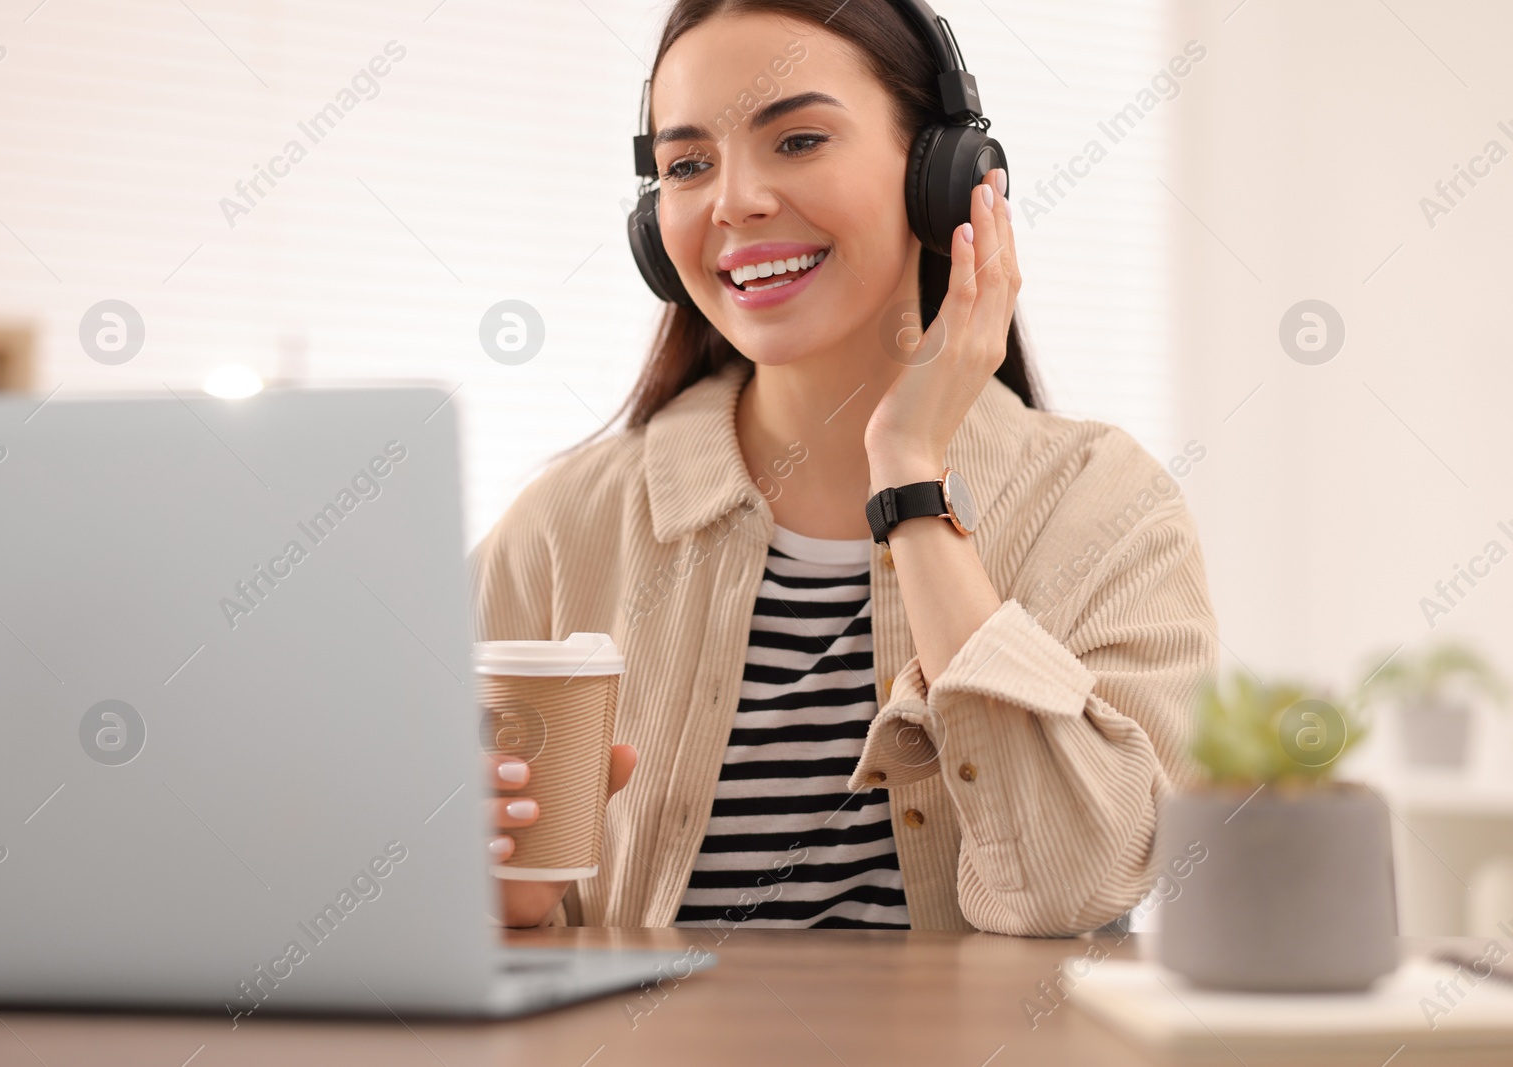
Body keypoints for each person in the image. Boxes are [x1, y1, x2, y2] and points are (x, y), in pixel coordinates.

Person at [471, 0, 1217, 933]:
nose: (733, 200)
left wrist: (909, 474)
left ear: (944, 180)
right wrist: (496, 905)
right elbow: (440, 905)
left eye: (799, 140)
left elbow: (1079, 882)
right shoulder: (560, 529)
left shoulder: (1107, 508)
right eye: (688, 164)